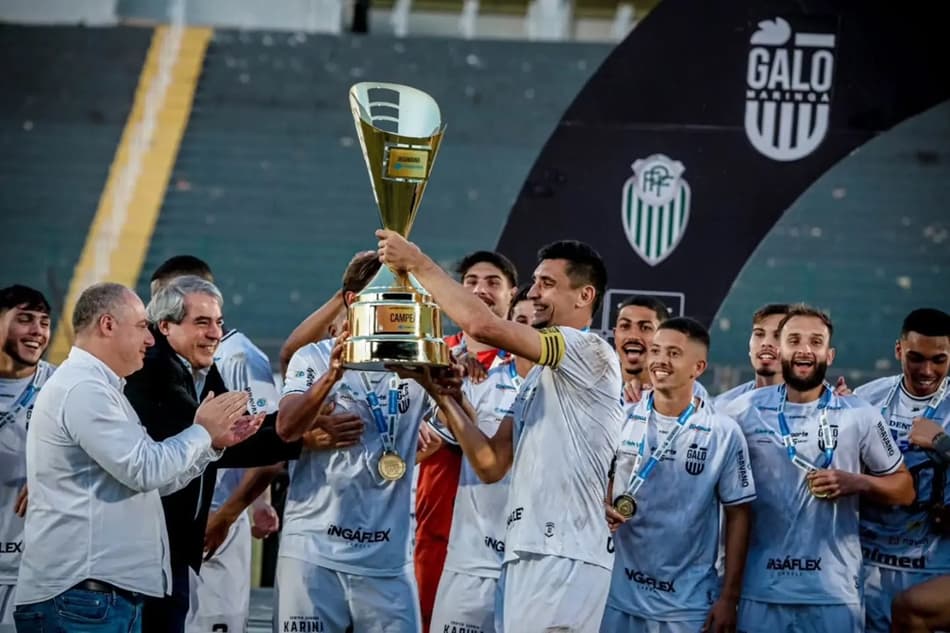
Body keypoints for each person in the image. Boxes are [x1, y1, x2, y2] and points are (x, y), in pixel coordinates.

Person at [378, 232, 623, 633]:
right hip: (527, 551)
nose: (535, 293)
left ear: (584, 296)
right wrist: (440, 395)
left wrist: (417, 262)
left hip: (565, 554)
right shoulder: (537, 379)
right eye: (535, 282)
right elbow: (490, 463)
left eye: (548, 284)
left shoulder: (587, 350)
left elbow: (482, 326)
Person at [13, 282, 260, 632]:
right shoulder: (84, 389)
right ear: (108, 325)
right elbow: (144, 469)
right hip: (82, 598)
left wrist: (211, 446)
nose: (149, 340)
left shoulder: (104, 389)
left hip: (96, 597)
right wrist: (202, 431)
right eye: (143, 326)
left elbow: (153, 481)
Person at [124, 276, 304, 633]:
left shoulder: (198, 366)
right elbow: (223, 442)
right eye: (202, 323)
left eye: (219, 322)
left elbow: (238, 427)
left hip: (168, 548)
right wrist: (301, 435)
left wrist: (296, 426)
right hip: (147, 552)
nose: (215, 333)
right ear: (165, 326)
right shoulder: (155, 371)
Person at [723, 304, 915, 633]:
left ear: (829, 354)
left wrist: (858, 482)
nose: (804, 350)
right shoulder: (741, 412)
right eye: (794, 340)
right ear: (780, 349)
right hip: (762, 591)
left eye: (815, 341)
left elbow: (905, 488)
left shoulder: (859, 413)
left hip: (833, 593)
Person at [273, 264, 433, 633]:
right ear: (353, 301)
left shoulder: (417, 363)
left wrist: (445, 389)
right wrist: (332, 376)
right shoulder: (313, 358)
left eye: (404, 299)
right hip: (314, 553)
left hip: (387, 560)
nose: (399, 309)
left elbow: (466, 434)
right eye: (389, 298)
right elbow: (286, 428)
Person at [601, 317, 755, 633]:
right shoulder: (622, 417)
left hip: (685, 604)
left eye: (673, 353)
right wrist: (602, 503)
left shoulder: (722, 432)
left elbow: (739, 515)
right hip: (616, 595)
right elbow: (601, 479)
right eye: (656, 350)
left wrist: (729, 596)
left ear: (697, 368)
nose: (660, 361)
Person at [415, 250, 518, 633]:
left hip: (501, 536)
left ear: (512, 294)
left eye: (493, 282)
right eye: (471, 281)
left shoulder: (529, 365)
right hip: (432, 522)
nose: (480, 290)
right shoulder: (427, 354)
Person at [853, 307, 950, 633]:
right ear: (898, 350)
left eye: (939, 359)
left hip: (934, 563)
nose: (926, 370)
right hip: (868, 563)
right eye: (916, 357)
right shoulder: (866, 398)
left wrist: (942, 444)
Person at [0, 286, 56, 632]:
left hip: (34, 573)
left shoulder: (62, 387)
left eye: (44, 322)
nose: (37, 331)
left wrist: (51, 476)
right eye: (25, 319)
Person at [613, 295, 709, 404]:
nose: (633, 336)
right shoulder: (596, 384)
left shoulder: (691, 392)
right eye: (625, 326)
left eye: (645, 328)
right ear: (615, 334)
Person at [714, 303, 789, 406]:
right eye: (759, 334)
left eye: (778, 336)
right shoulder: (723, 406)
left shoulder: (815, 411)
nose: (766, 343)